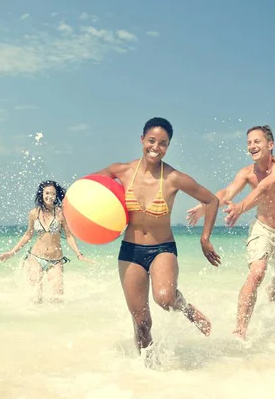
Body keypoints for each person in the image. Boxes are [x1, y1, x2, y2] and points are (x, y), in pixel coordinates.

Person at [94, 117, 220, 355]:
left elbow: (211, 200)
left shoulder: (173, 177)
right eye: (151, 140)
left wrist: (205, 239)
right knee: (142, 322)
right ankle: (147, 374)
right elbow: (88, 188)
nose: (156, 147)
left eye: (163, 143)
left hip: (162, 249)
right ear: (142, 139)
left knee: (164, 298)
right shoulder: (120, 171)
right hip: (130, 251)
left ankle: (186, 308)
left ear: (168, 146)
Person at [186, 125, 275, 340]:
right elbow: (227, 192)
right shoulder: (247, 173)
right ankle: (240, 330)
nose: (252, 146)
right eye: (249, 143)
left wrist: (240, 207)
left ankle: (273, 293)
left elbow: (265, 187)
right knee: (257, 272)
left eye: (257, 141)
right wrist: (207, 206)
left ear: (270, 144)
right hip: (263, 229)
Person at [0, 180, 93, 303]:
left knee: (57, 298)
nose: (50, 196)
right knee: (35, 298)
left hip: (55, 260)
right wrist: (12, 252)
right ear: (41, 194)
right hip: (36, 258)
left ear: (56, 195)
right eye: (47, 193)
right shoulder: (34, 213)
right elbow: (28, 235)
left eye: (53, 194)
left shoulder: (60, 213)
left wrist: (78, 254)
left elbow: (69, 235)